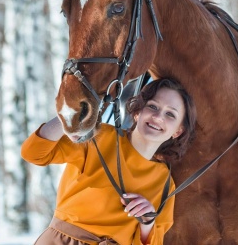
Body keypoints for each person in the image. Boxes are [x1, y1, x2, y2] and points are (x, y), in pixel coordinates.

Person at [21, 78, 196, 245]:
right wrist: (69, 117)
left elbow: (152, 241)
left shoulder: (165, 182)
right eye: (152, 106)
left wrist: (148, 221)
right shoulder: (100, 136)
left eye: (170, 114)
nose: (158, 117)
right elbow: (33, 153)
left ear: (178, 131)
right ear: (137, 112)